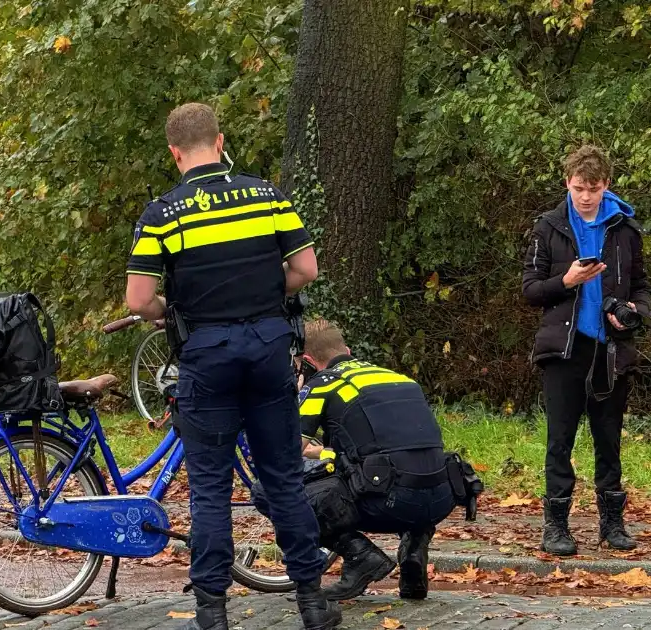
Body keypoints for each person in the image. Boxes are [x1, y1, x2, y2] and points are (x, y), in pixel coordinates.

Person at [125, 102, 339, 630]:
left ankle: (213, 612)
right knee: (284, 479)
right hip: (268, 352)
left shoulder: (162, 213)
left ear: (175, 153)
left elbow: (138, 300)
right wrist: (265, 292)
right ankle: (312, 602)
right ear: (220, 142)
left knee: (211, 490)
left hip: (206, 358)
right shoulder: (268, 195)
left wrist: (168, 313)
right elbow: (305, 268)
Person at [253, 325, 456, 602]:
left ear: (309, 362)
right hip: (440, 499)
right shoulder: (400, 379)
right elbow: (384, 445)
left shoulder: (324, 383)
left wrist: (293, 397)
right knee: (407, 468)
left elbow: (285, 455)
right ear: (347, 351)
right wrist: (320, 453)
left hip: (386, 503)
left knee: (267, 489)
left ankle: (359, 555)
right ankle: (414, 548)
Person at [521, 145, 651, 556]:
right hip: (564, 349)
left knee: (608, 438)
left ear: (606, 185)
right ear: (567, 183)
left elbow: (643, 286)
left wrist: (635, 311)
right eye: (579, 188)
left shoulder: (624, 228)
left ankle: (612, 523)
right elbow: (529, 291)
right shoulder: (549, 227)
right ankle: (556, 526)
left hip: (611, 348)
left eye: (593, 188)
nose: (586, 196)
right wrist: (568, 279)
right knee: (559, 440)